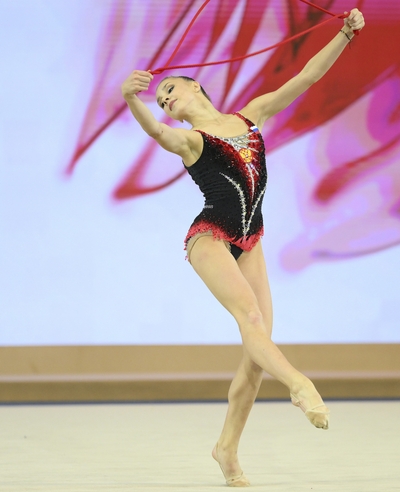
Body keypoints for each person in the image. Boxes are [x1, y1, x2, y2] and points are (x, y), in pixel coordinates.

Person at [120, 8, 365, 487]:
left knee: (256, 355)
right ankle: (300, 384)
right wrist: (134, 101)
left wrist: (345, 34)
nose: (166, 99)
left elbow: (308, 76)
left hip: (250, 239)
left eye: (171, 90)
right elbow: (155, 132)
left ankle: (226, 449)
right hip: (210, 237)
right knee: (252, 323)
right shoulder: (191, 141)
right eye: (162, 99)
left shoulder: (250, 115)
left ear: (198, 89)